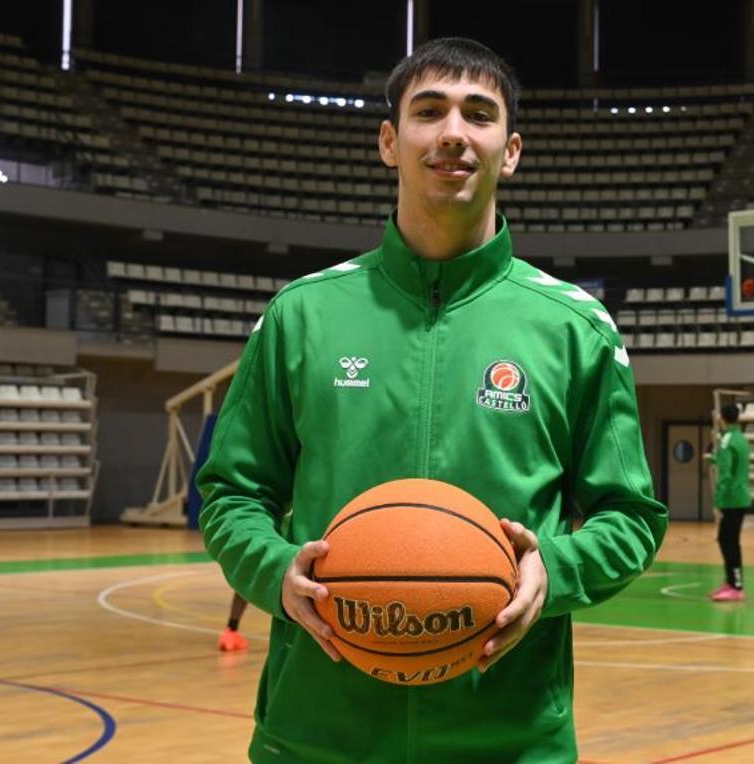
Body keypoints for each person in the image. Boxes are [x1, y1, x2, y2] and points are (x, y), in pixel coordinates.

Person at [197, 37, 667, 763]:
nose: (453, 132)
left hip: (508, 738)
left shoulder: (576, 328)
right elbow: (232, 492)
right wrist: (273, 569)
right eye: (429, 111)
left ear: (509, 150)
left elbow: (630, 516)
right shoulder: (301, 315)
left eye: (479, 114)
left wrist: (556, 571)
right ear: (390, 141)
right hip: (316, 733)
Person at [707, 402, 751, 602]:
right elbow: (731, 463)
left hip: (730, 499)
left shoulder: (726, 441)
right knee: (729, 540)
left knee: (728, 541)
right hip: (741, 496)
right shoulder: (741, 439)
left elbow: (724, 474)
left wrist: (717, 501)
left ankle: (736, 586)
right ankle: (732, 582)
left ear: (721, 418)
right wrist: (713, 459)